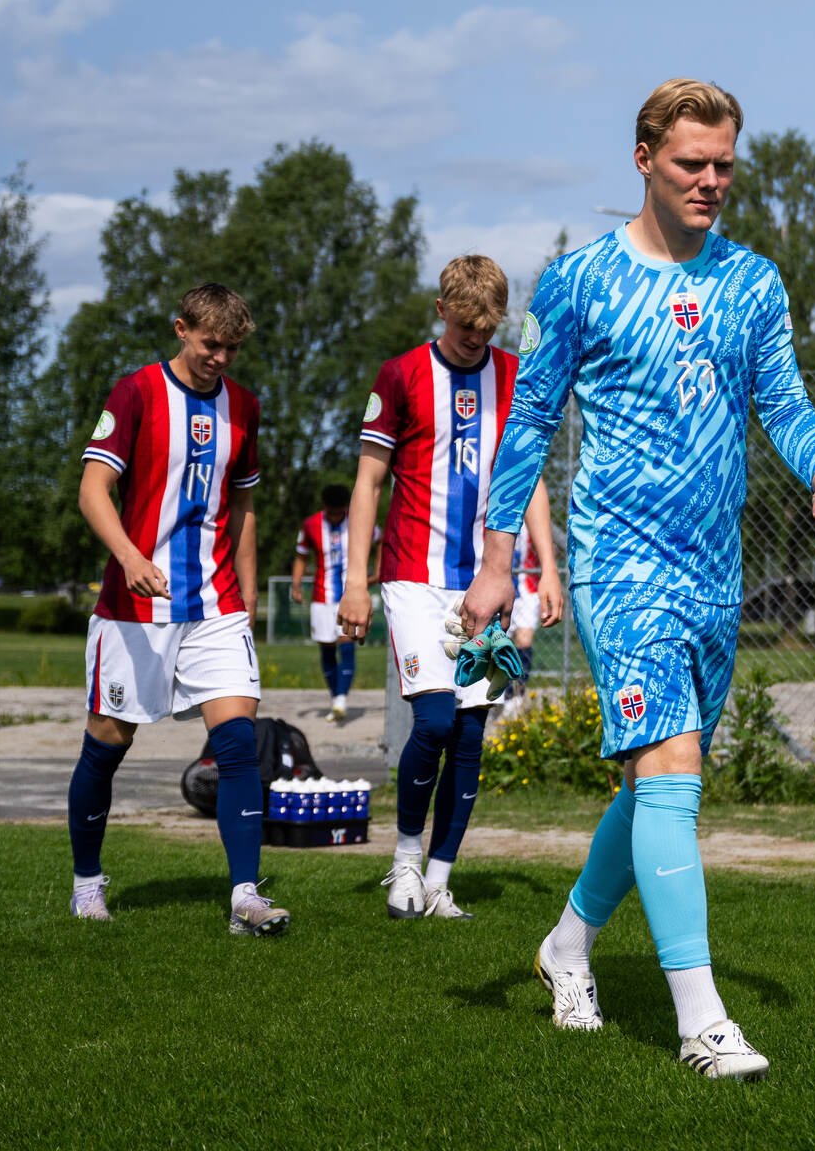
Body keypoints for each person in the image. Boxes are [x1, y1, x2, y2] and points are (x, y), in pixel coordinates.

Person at [460, 79, 815, 1082]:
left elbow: (784, 394)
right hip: (618, 561)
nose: (711, 181)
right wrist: (501, 557)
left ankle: (564, 946)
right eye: (692, 163)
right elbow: (532, 418)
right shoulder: (578, 280)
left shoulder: (755, 282)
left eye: (724, 164)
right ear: (643, 157)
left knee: (655, 784)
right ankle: (702, 1021)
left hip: (712, 566)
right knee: (671, 764)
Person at [337, 255, 561, 922]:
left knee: (470, 734)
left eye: (488, 329)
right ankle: (405, 861)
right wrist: (355, 582)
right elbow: (368, 482)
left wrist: (547, 568)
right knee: (432, 722)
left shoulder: (515, 376)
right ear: (443, 310)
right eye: (466, 327)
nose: (476, 340)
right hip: (412, 575)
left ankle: (438, 881)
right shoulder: (401, 375)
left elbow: (529, 480)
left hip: (488, 584)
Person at [68, 284, 287, 936]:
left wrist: (245, 597)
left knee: (239, 744)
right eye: (210, 343)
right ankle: (87, 883)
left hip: (215, 604)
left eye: (232, 347)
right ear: (182, 330)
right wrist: (131, 557)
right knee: (107, 746)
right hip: (133, 608)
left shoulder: (244, 406)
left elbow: (243, 509)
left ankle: (245, 895)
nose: (221, 356)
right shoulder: (135, 393)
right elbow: (92, 489)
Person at [290, 483, 376, 723]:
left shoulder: (358, 520)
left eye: (340, 512)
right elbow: (301, 556)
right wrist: (296, 585)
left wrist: (376, 572)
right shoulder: (310, 525)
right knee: (327, 647)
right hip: (321, 595)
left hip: (351, 595)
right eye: (333, 512)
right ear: (325, 507)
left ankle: (341, 699)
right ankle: (335, 696)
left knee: (346, 640)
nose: (337, 516)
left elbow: (380, 540)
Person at [507, 523, 559, 703]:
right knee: (498, 641)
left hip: (527, 585)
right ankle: (498, 692)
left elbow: (550, 548)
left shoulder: (531, 515)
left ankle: (515, 695)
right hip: (504, 582)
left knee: (524, 640)